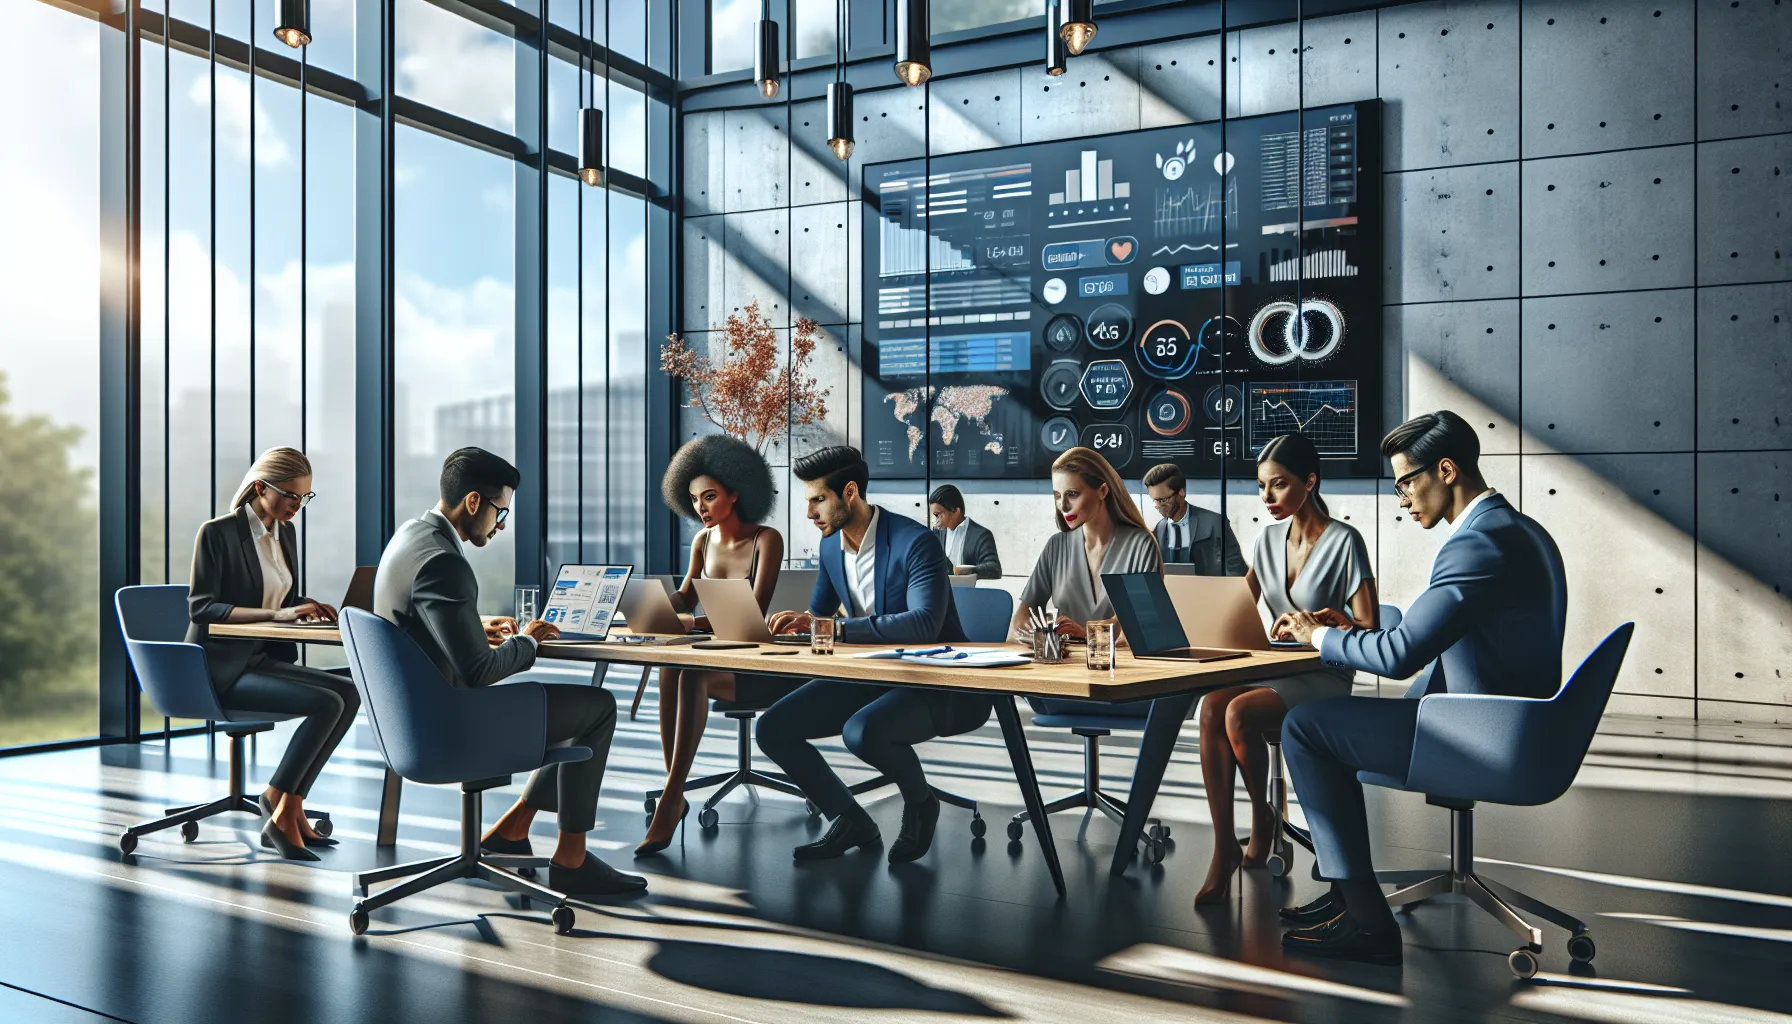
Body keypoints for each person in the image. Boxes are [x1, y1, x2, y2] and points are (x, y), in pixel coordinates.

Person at [1274, 412, 1567, 966]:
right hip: (1509, 725)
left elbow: (1401, 655)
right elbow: (1424, 639)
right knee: (1334, 724)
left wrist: (1320, 637)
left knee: (1306, 726)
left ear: (1447, 470)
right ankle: (1344, 898)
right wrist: (1352, 631)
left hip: (1479, 737)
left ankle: (1366, 922)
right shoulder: (1518, 529)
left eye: (1407, 481)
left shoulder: (1477, 545)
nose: (1402, 498)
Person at [372, 447, 646, 898]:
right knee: (596, 707)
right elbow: (480, 671)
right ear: (474, 502)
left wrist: (475, 624)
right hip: (450, 728)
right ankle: (572, 861)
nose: (501, 525)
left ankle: (512, 829)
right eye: (501, 512)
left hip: (407, 721)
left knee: (565, 709)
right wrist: (530, 641)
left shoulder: (410, 537)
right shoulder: (446, 562)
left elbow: (412, 620)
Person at [756, 446, 981, 864]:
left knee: (861, 731)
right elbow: (819, 616)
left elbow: (923, 625)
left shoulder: (917, 543)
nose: (809, 513)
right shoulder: (830, 549)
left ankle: (920, 802)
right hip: (871, 676)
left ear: (851, 493)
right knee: (772, 728)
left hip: (936, 681)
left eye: (817, 500)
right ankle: (849, 818)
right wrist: (791, 624)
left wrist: (832, 628)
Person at [1189, 434, 1378, 906]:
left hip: (1322, 673)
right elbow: (1239, 604)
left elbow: (1370, 627)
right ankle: (1223, 847)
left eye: (1278, 485)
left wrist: (1334, 621)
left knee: (1237, 714)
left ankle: (1264, 818)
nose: (1267, 498)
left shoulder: (1345, 541)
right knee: (1210, 707)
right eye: (1261, 487)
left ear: (1309, 482)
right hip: (1275, 666)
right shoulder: (1267, 539)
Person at [186, 447, 362, 861]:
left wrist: (304, 605)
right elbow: (203, 607)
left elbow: (277, 594)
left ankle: (286, 804)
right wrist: (278, 613)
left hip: (264, 659)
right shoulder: (217, 533)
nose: (297, 506)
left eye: (304, 498)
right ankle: (281, 806)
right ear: (261, 488)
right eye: (290, 496)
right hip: (221, 669)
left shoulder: (287, 533)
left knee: (350, 693)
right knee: (325, 702)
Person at [638, 434, 789, 857]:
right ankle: (675, 789)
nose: (701, 508)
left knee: (690, 675)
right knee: (673, 667)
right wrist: (653, 607)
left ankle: (672, 799)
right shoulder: (702, 542)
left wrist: (692, 622)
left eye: (710, 496)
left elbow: (753, 611)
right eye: (694, 499)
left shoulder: (766, 540)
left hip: (754, 663)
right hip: (715, 652)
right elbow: (685, 597)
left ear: (736, 493)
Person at [1008, 446, 1162, 653]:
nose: (1062, 506)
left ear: (1103, 491)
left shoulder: (1141, 545)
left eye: (1072, 494)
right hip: (1066, 665)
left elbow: (1140, 624)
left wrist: (1087, 633)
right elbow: (1022, 618)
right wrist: (1034, 635)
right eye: (1057, 495)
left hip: (1122, 667)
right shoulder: (1057, 546)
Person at [1144, 462, 1246, 576]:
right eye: (1155, 500)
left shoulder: (1214, 523)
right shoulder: (1159, 529)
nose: (1158, 506)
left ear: (1181, 493)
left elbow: (1236, 569)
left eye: (1163, 500)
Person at [928, 484, 1002, 580]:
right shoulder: (936, 534)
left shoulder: (980, 535)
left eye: (938, 515)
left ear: (956, 511)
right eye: (934, 515)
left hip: (969, 592)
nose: (935, 520)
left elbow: (994, 569)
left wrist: (967, 571)